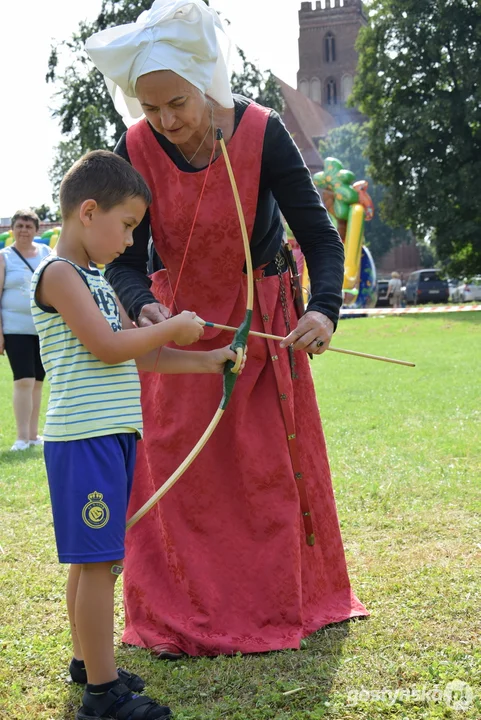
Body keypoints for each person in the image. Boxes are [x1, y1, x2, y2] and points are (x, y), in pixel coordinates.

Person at [85, 0, 367, 660]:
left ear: (206, 82)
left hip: (259, 322)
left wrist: (321, 309)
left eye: (177, 103)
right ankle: (182, 607)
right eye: (150, 108)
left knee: (264, 471)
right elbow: (126, 260)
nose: (166, 120)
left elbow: (320, 240)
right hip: (178, 329)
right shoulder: (136, 146)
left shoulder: (261, 132)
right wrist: (139, 303)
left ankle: (273, 602)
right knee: (180, 476)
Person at [30, 149, 244, 720]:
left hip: (110, 436)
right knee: (97, 561)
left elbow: (139, 359)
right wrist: (172, 323)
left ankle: (88, 662)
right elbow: (108, 347)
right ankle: (102, 696)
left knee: (93, 559)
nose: (130, 242)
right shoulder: (57, 275)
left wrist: (210, 361)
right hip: (83, 439)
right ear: (89, 212)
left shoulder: (97, 281)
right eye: (127, 226)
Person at [0, 209, 51, 451]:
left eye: (29, 226)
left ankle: (33, 435)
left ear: (36, 230)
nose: (24, 231)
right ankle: (21, 438)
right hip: (14, 329)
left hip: (42, 328)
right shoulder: (4, 257)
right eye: (19, 226)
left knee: (38, 383)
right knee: (24, 380)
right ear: (12, 229)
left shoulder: (46, 254)